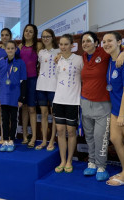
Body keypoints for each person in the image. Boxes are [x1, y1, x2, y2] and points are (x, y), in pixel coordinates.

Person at [80, 31, 124, 181]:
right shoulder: (83, 56)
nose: (85, 44)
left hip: (103, 104)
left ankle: (101, 166)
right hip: (85, 102)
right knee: (89, 136)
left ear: (96, 43)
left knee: (100, 137)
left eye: (88, 41)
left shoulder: (105, 52)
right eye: (83, 41)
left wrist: (123, 54)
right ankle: (92, 163)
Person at [102, 31, 124, 186]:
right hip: (115, 108)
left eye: (110, 40)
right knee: (115, 139)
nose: (106, 44)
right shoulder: (110, 60)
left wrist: (122, 114)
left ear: (119, 42)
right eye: (104, 41)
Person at [53, 34, 83, 173]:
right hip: (58, 100)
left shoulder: (79, 59)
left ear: (72, 45)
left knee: (71, 131)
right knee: (60, 131)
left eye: (66, 44)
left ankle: (69, 160)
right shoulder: (57, 60)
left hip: (73, 101)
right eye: (61, 44)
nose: (63, 47)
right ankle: (62, 160)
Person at [0, 40, 27, 152]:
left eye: (12, 48)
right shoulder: (1, 62)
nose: (10, 50)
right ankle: (5, 140)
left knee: (14, 119)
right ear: (5, 50)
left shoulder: (20, 63)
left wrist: (21, 98)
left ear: (16, 49)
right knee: (5, 119)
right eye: (8, 48)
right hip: (3, 96)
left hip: (15, 96)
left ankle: (11, 140)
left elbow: (23, 82)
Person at [0, 28, 20, 144]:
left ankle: (11, 137)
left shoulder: (16, 50)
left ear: (10, 36)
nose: (4, 37)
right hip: (2, 86)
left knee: (12, 114)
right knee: (1, 112)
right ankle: (3, 136)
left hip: (13, 86)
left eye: (7, 35)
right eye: (2, 35)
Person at [35, 29, 60, 151]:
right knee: (44, 114)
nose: (45, 38)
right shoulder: (40, 52)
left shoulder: (58, 51)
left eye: (48, 36)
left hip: (54, 87)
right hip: (41, 86)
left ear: (52, 37)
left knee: (54, 115)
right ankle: (44, 140)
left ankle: (52, 140)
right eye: (43, 36)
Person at [19, 24, 42, 148]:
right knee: (24, 108)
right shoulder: (20, 46)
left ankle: (33, 136)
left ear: (34, 34)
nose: (28, 33)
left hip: (33, 80)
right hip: (22, 81)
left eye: (31, 31)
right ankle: (24, 135)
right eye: (26, 31)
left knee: (32, 109)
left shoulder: (38, 46)